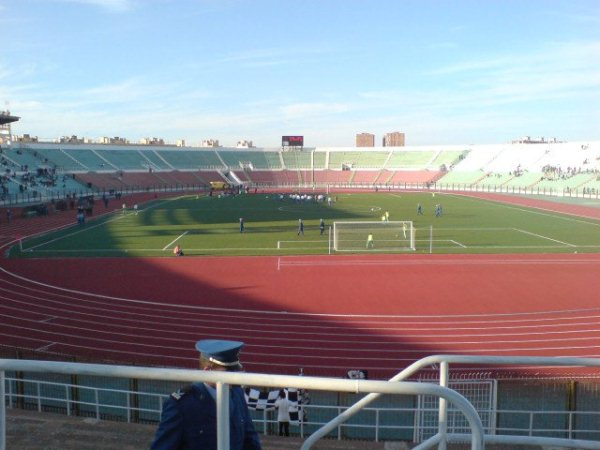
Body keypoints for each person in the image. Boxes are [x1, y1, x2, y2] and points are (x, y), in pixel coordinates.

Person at [151, 339, 262, 450]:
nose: (234, 376)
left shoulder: (237, 394)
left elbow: (250, 440)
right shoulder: (182, 405)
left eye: (235, 370)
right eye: (229, 371)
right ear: (207, 370)